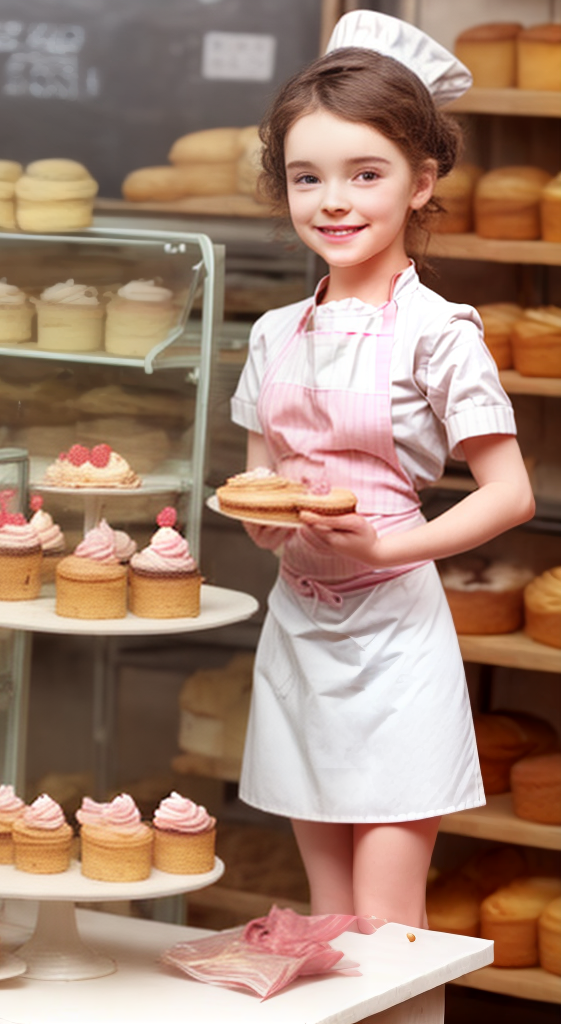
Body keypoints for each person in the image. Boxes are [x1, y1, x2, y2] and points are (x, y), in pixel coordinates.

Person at [230, 11, 535, 929]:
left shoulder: (442, 331)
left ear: (421, 181)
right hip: (297, 633)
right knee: (326, 919)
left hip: (398, 641)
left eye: (367, 174)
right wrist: (265, 526)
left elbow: (510, 494)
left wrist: (383, 543)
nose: (335, 201)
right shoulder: (274, 333)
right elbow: (258, 482)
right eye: (307, 176)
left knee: (387, 925)